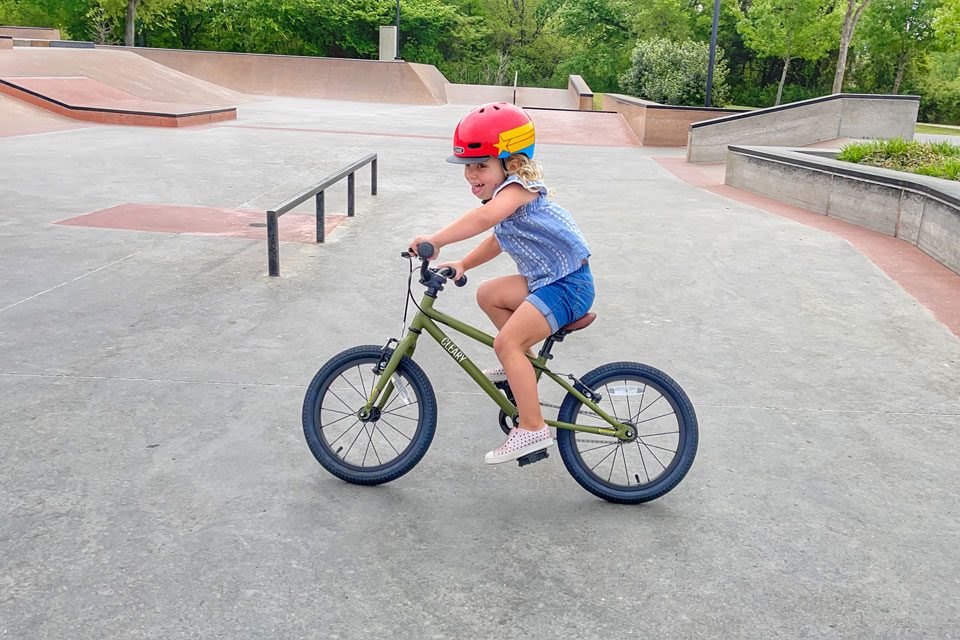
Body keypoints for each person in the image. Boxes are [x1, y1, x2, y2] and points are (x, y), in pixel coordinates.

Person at [409, 102, 594, 465]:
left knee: (505, 342)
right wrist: (463, 263)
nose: (471, 175)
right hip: (549, 281)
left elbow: (485, 219)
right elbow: (498, 238)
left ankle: (532, 427)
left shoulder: (519, 189)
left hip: (568, 285)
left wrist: (438, 239)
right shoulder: (505, 198)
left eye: (481, 166)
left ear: (511, 162)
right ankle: (520, 365)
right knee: (488, 293)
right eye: (468, 167)